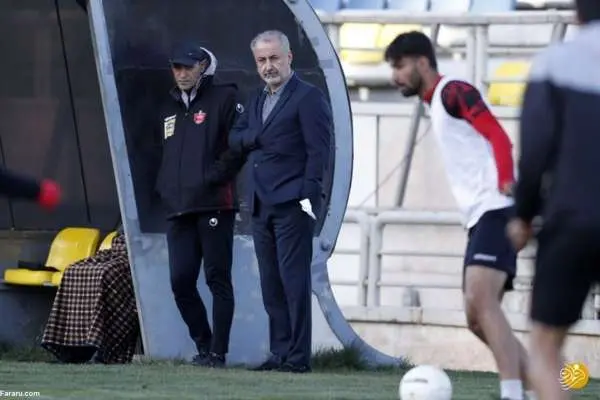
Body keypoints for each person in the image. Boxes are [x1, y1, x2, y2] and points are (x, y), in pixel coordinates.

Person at [384, 32, 533, 400]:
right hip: (480, 216)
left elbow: (498, 135)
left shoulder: (454, 91)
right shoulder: (436, 102)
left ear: (422, 62)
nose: (394, 76)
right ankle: (552, 383)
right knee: (475, 318)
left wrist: (505, 180)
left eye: (399, 66)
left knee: (482, 301)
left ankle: (513, 393)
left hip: (495, 207)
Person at [507, 1, 600, 398]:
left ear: (576, 14)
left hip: (572, 220)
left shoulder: (555, 63)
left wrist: (523, 215)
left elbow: (535, 151)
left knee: (544, 348)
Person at [229, 30, 332, 374]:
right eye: (261, 60)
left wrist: (308, 196)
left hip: (292, 204)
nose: (268, 66)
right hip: (260, 204)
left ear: (289, 57)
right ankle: (280, 352)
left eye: (274, 58)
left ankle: (298, 358)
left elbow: (319, 152)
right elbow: (236, 137)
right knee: (271, 283)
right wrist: (255, 137)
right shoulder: (257, 98)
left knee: (294, 282)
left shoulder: (308, 97)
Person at [154, 43, 246, 368]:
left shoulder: (225, 98)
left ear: (204, 67)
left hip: (214, 205)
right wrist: (165, 186)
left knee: (217, 279)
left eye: (187, 67)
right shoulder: (168, 107)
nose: (181, 74)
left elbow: (238, 147)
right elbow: (164, 154)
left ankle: (218, 353)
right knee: (180, 281)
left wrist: (212, 178)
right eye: (176, 67)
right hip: (179, 207)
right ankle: (204, 345)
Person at [41, 227, 139, 364]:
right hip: (121, 246)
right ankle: (72, 349)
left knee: (106, 273)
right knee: (72, 271)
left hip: (141, 253)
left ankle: (103, 350)